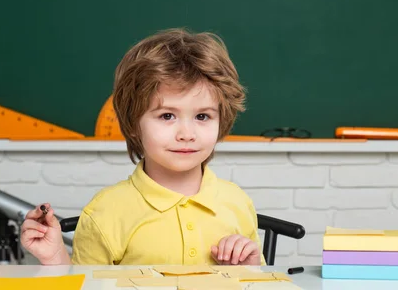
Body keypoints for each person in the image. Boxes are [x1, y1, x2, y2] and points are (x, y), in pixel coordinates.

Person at [20, 28, 265, 266]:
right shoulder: (106, 210)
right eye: (167, 116)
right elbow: (85, 285)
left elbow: (259, 285)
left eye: (202, 117)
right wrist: (55, 260)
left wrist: (251, 270)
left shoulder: (237, 202)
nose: (187, 134)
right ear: (134, 122)